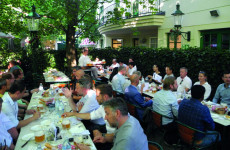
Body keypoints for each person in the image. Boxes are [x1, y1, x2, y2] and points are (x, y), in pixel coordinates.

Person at [62, 84, 115, 150]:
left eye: (97, 96)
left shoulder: (115, 112)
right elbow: (89, 115)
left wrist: (101, 134)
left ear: (105, 97)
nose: (96, 98)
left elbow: (115, 136)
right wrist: (73, 113)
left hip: (112, 143)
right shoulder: (104, 106)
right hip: (106, 136)